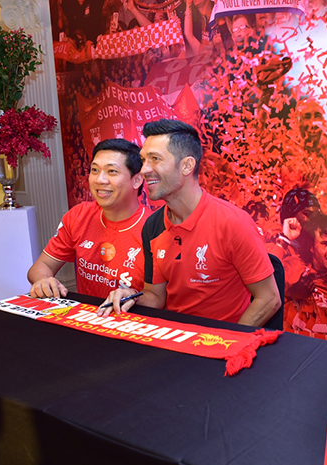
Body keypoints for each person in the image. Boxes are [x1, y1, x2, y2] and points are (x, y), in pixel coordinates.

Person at [98, 119, 281, 326]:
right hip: (174, 336)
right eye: (143, 160)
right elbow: (156, 297)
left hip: (221, 339)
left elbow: (269, 299)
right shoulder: (153, 226)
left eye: (155, 159)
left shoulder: (232, 223)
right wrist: (131, 295)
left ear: (187, 166)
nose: (144, 169)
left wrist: (230, 340)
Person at [28, 138, 150, 299]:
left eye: (112, 171)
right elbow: (42, 266)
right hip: (85, 313)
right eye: (95, 170)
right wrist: (43, 280)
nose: (100, 180)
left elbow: (161, 298)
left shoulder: (154, 228)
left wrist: (133, 297)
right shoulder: (79, 216)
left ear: (137, 180)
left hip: (131, 314)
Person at [284, 213, 327, 339]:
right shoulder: (295, 266)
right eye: (325, 244)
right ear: (311, 247)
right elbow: (263, 288)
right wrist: (290, 292)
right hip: (293, 343)